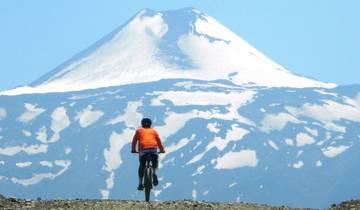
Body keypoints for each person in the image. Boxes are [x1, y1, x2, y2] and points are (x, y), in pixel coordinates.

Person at [131, 118, 165, 191]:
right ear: (150, 124)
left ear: (142, 124)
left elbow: (134, 142)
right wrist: (162, 150)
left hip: (143, 150)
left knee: (142, 165)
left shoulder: (139, 131)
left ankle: (140, 184)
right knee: (155, 162)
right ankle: (154, 173)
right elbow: (159, 142)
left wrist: (133, 150)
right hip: (153, 149)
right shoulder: (154, 131)